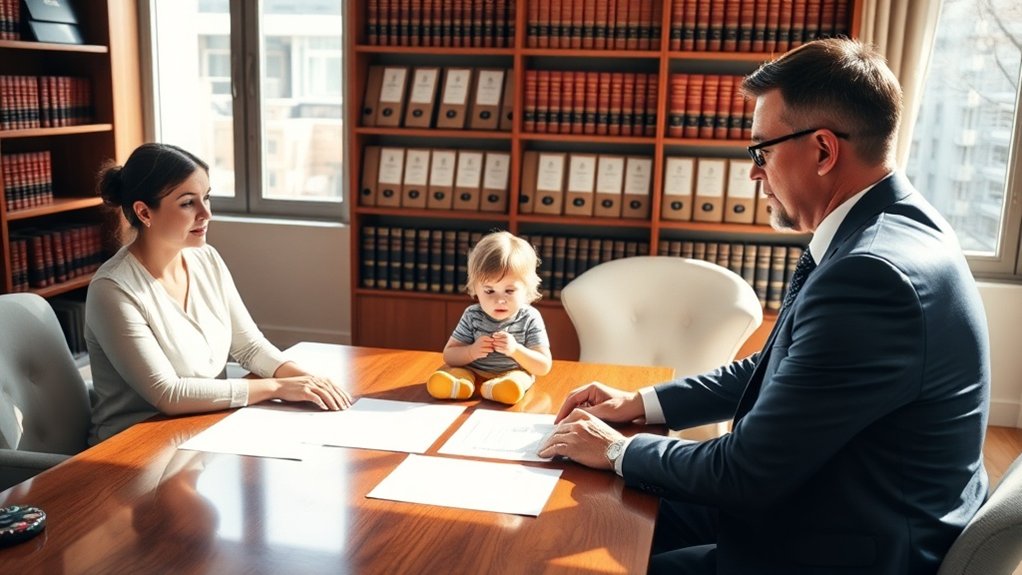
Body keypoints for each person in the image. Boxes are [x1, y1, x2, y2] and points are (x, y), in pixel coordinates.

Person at [539, 38, 991, 575]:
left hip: (836, 547)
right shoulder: (895, 226)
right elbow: (776, 367)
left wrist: (616, 450)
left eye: (762, 150)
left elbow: (745, 472)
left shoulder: (871, 276)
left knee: (575, 548)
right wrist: (638, 404)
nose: (754, 172)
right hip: (824, 498)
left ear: (823, 150)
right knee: (591, 512)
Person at [86, 143, 352, 444]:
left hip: (202, 431)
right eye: (188, 203)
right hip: (130, 450)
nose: (206, 213)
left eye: (207, 198)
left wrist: (304, 379)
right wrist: (277, 388)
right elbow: (168, 393)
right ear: (144, 212)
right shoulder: (113, 289)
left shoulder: (206, 259)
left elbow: (249, 347)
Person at [426, 231, 552, 404]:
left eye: (509, 291)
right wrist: (470, 352)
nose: (499, 299)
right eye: (489, 291)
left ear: (527, 289)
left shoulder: (529, 317)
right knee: (454, 371)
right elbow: (449, 355)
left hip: (512, 372)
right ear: (475, 289)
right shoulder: (473, 315)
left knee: (519, 378)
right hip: (473, 372)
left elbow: (543, 365)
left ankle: (501, 389)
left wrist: (516, 350)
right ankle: (457, 386)